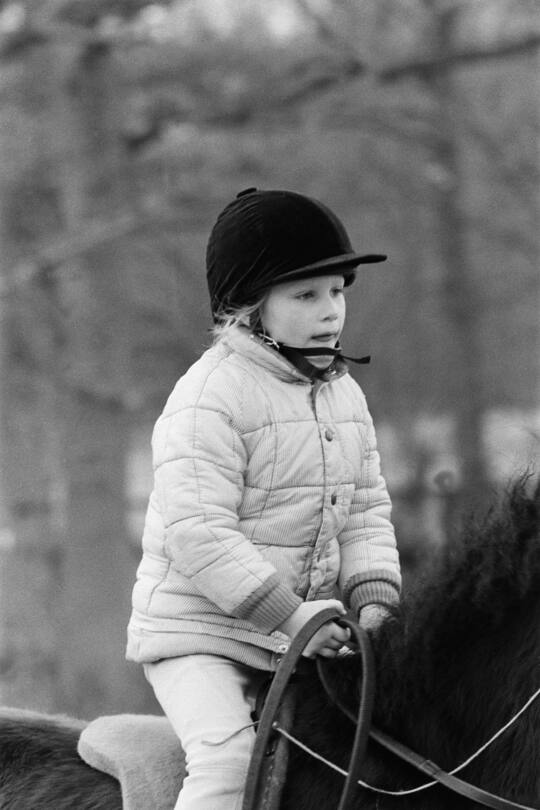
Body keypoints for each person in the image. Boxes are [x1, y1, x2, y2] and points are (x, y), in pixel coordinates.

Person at [126, 187, 401, 810]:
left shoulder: (344, 397)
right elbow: (200, 535)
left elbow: (365, 514)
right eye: (305, 295)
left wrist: (374, 605)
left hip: (301, 635)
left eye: (337, 291)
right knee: (227, 767)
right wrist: (294, 616)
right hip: (202, 637)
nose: (330, 310)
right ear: (250, 309)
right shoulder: (208, 398)